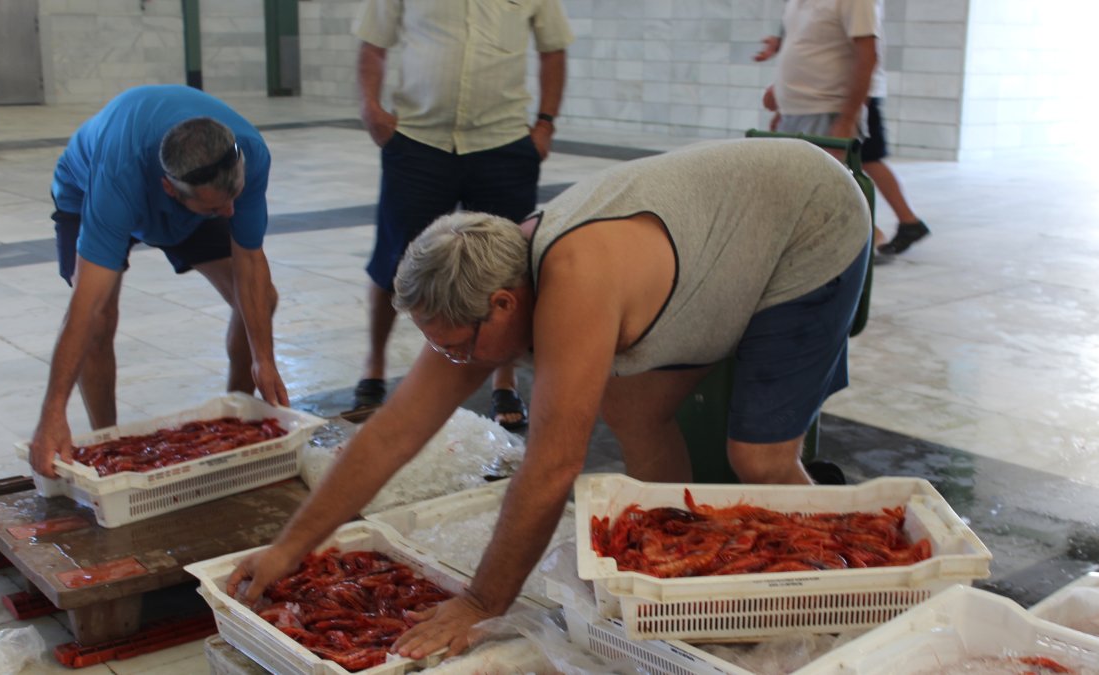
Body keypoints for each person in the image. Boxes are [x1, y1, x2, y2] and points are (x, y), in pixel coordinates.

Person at [229, 138, 871, 658]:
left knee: (759, 458)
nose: (455, 364)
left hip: (809, 218)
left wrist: (482, 601)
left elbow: (553, 466)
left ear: (503, 305)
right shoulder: (482, 291)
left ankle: (854, 594)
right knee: (635, 410)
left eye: (457, 347)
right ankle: (680, 572)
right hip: (720, 233)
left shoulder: (574, 283)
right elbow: (394, 431)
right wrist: (290, 548)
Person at [28, 84, 287, 478]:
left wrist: (263, 360)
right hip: (87, 190)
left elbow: (249, 260)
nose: (231, 213)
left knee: (261, 300)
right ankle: (108, 446)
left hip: (194, 197)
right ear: (170, 190)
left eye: (234, 197)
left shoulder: (246, 154)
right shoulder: (117, 179)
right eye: (218, 207)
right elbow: (86, 309)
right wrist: (53, 411)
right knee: (100, 321)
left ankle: (237, 421)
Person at [349, 0, 573, 430]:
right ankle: (373, 366)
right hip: (418, 140)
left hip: (503, 142)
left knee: (509, 269)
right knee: (393, 259)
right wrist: (371, 109)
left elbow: (553, 50)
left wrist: (545, 124)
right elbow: (373, 44)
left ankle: (504, 380)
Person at [754, 0, 929, 257]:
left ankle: (871, 240)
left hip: (830, 107)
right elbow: (807, 46)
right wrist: (782, 97)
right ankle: (886, 231)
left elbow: (867, 55)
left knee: (831, 184)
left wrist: (847, 119)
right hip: (800, 109)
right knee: (809, 187)